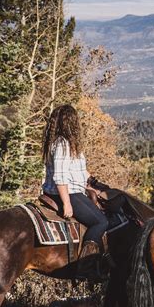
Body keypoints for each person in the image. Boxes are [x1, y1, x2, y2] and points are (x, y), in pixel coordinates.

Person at [42, 104, 110, 278]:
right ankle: (86, 266)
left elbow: (80, 170)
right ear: (71, 123)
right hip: (68, 193)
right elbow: (60, 176)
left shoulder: (64, 144)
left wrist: (95, 184)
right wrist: (66, 203)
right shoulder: (63, 144)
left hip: (72, 190)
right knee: (101, 222)